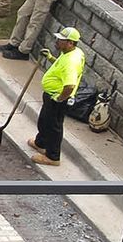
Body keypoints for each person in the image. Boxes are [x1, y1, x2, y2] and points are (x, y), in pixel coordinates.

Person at [31, 26, 87, 168]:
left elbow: (69, 86)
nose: (57, 41)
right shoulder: (70, 52)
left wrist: (59, 99)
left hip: (58, 99)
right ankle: (41, 143)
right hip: (52, 96)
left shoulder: (71, 62)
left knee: (53, 126)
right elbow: (60, 66)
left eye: (61, 40)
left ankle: (52, 157)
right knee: (44, 120)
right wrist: (50, 58)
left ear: (70, 43)